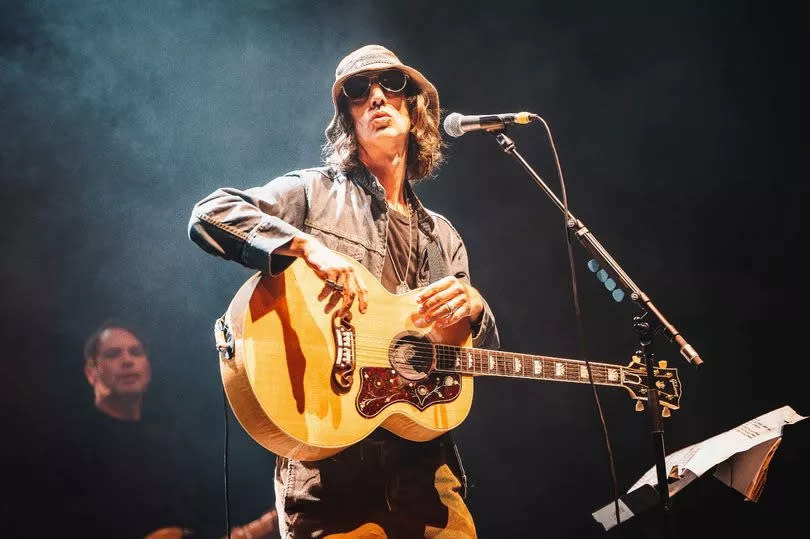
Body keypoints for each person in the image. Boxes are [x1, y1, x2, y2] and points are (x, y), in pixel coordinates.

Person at [188, 44, 499, 538]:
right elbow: (210, 214)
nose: (376, 97)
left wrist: (475, 311)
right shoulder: (312, 192)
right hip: (328, 473)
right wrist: (305, 246)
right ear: (347, 119)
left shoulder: (444, 236)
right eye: (358, 92)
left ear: (413, 107)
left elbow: (466, 359)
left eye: (390, 86)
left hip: (426, 479)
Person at [36, 321, 201, 538]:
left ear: (148, 368)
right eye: (113, 354)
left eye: (136, 352)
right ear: (90, 373)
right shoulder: (69, 443)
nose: (127, 360)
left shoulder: (172, 439)